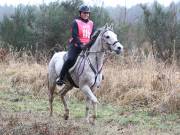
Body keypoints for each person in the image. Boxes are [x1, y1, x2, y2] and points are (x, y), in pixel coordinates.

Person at [56, 4, 96, 86]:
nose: (86, 14)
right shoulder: (76, 22)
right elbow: (74, 35)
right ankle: (61, 77)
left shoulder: (91, 23)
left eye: (87, 13)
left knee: (96, 58)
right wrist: (81, 44)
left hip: (87, 46)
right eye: (84, 13)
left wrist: (90, 44)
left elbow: (92, 36)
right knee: (70, 59)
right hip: (75, 45)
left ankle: (97, 75)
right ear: (80, 13)